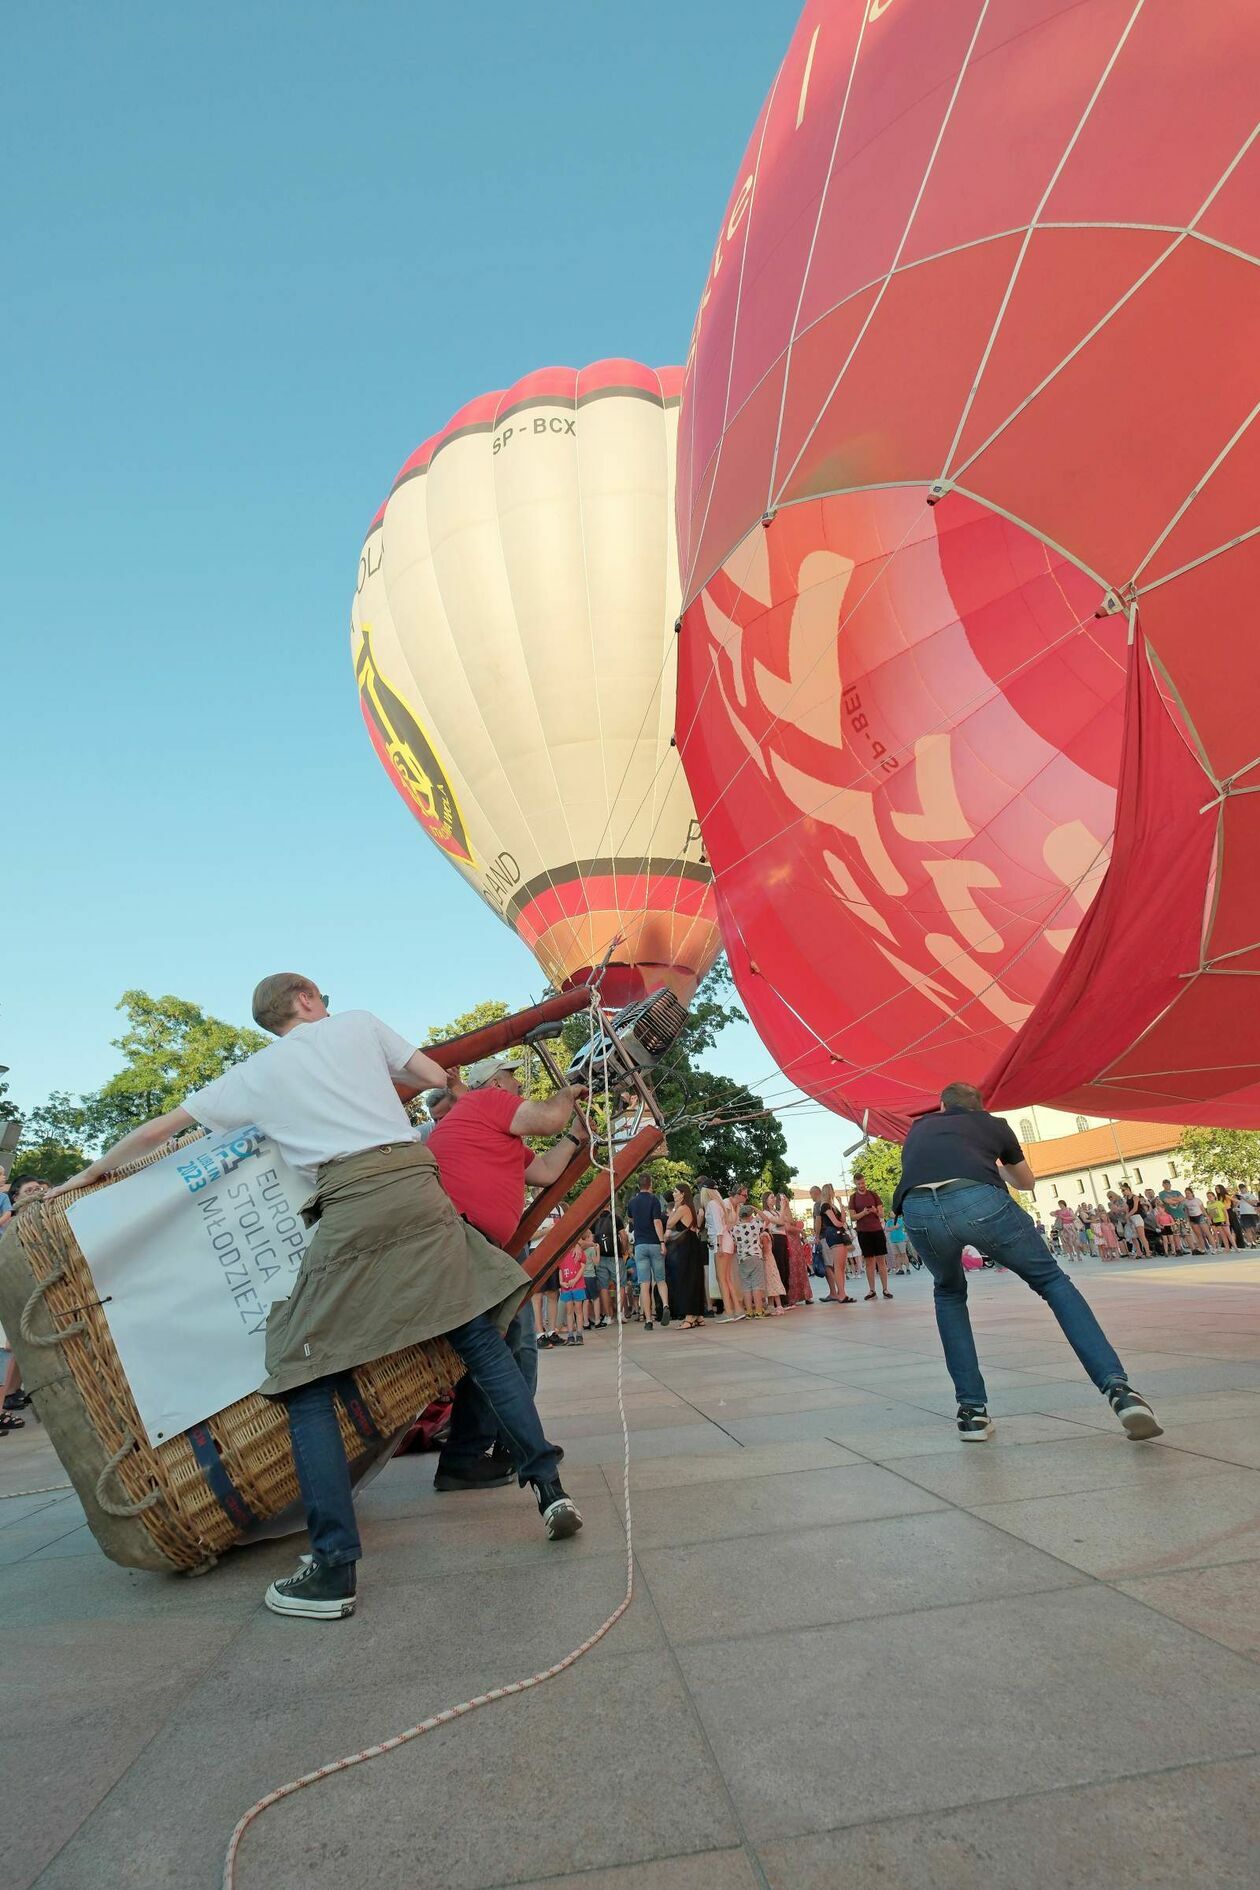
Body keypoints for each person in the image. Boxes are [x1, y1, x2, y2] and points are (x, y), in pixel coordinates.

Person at [52, 977, 583, 1620]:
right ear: (306, 999)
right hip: (418, 1189)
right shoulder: (358, 1025)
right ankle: (549, 1488)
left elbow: (156, 1134)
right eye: (319, 996)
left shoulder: (252, 1075)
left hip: (352, 1203)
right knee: (477, 1338)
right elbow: (438, 1076)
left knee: (304, 1376)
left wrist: (87, 1174)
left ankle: (334, 1567)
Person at [895, 1082, 1162, 1444]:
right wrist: (995, 1166)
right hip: (978, 1201)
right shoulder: (994, 1125)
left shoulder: (919, 1127)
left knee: (949, 1293)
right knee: (1052, 1282)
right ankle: (1119, 1391)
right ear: (980, 1107)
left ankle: (972, 1412)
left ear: (942, 1106)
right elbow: (1026, 1182)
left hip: (917, 1208)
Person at [427, 1057, 587, 1468]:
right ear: (497, 1083)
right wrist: (568, 1094)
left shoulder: (493, 1131)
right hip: (468, 1243)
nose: (519, 1088)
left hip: (470, 1246)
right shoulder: (487, 1103)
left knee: (510, 1343)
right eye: (515, 1079)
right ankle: (487, 1450)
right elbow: (549, 1116)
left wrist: (575, 1133)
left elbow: (549, 1170)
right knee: (506, 1345)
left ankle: (485, 1448)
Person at [627, 1173, 669, 1329]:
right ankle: (665, 1305)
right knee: (660, 1279)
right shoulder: (654, 1200)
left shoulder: (632, 1202)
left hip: (640, 1245)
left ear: (639, 1185)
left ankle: (648, 1319)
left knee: (644, 1283)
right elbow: (657, 1221)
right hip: (654, 1243)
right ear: (650, 1184)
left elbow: (630, 1220)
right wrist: (662, 1242)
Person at [664, 1184, 708, 1328]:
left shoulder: (682, 1208)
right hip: (692, 1244)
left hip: (686, 1247)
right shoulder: (690, 1208)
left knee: (687, 1279)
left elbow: (670, 1223)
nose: (674, 1194)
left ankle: (690, 1316)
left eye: (676, 1192)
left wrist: (675, 1207)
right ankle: (698, 1315)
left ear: (683, 1194)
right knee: (694, 1278)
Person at [849, 1171, 892, 1300]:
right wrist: (863, 1213)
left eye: (863, 1182)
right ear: (855, 1184)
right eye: (859, 1183)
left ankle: (885, 1288)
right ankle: (872, 1289)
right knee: (869, 1261)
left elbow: (882, 1214)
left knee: (881, 1260)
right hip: (863, 1232)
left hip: (877, 1230)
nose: (862, 1185)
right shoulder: (853, 1197)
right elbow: (852, 1216)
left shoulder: (873, 1194)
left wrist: (874, 1211)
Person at [817, 1183, 856, 1303]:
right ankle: (841, 1294)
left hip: (838, 1233)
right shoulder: (825, 1206)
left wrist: (841, 1205)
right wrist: (841, 1223)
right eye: (832, 1190)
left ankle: (842, 1292)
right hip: (834, 1234)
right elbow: (836, 1222)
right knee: (838, 1266)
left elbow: (843, 1220)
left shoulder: (832, 1206)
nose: (833, 1192)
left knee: (841, 1266)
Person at [730, 1206, 767, 1316]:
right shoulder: (755, 1225)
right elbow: (767, 1220)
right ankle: (759, 1310)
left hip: (742, 1258)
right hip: (755, 1255)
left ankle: (749, 1311)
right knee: (757, 1284)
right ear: (751, 1215)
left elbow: (734, 1243)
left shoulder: (734, 1228)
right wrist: (756, 1209)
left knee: (746, 1286)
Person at [556, 1242, 586, 1345]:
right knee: (569, 1310)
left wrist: (575, 1279)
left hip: (578, 1285)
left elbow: (582, 1267)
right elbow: (560, 1269)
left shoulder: (578, 1251)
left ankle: (579, 1334)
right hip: (566, 1286)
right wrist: (561, 1282)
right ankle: (570, 1335)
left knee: (578, 1309)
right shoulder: (562, 1254)